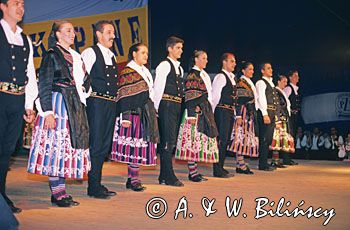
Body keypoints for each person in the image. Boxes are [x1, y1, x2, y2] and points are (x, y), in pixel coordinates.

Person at [28, 21, 91, 207]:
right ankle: (57, 193)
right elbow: (44, 84)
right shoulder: (51, 55)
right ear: (57, 34)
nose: (73, 34)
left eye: (73, 31)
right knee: (56, 148)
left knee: (66, 149)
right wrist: (47, 112)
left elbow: (86, 81)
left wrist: (82, 90)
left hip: (73, 105)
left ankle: (61, 191)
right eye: (68, 30)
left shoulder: (76, 56)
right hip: (57, 105)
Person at [0, 0, 38, 213]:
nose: (21, 8)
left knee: (7, 149)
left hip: (17, 100)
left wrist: (29, 103)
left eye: (23, 4)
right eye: (16, 3)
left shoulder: (26, 39)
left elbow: (30, 73)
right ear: (3, 6)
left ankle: (1, 194)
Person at [110, 43, 159, 192]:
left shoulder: (145, 71)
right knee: (134, 148)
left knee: (139, 147)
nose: (146, 55)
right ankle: (133, 180)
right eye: (143, 52)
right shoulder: (128, 71)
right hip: (132, 115)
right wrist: (125, 117)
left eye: (147, 53)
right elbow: (124, 94)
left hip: (145, 113)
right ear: (134, 54)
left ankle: (133, 179)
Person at [81, 20, 118, 199]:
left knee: (104, 145)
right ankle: (93, 186)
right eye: (109, 32)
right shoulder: (90, 52)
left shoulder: (112, 55)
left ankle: (97, 182)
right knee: (96, 144)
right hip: (96, 103)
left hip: (110, 104)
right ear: (99, 34)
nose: (113, 35)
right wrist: (87, 98)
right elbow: (81, 77)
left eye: (113, 32)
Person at [175, 50, 219, 182]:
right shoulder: (193, 75)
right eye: (203, 58)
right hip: (195, 113)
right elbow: (190, 97)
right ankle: (192, 172)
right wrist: (192, 115)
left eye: (206, 58)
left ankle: (195, 171)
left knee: (198, 142)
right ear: (196, 59)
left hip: (204, 111)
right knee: (193, 141)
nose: (206, 60)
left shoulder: (202, 74)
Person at [154, 36, 184, 187]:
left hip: (176, 105)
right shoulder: (164, 65)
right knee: (167, 141)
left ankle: (163, 176)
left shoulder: (179, 67)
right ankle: (169, 175)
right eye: (178, 48)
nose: (181, 51)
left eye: (181, 48)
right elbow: (158, 87)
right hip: (166, 105)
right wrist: (156, 108)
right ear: (170, 49)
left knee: (171, 141)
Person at [228, 61, 258, 174]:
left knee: (244, 138)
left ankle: (239, 164)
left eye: (252, 69)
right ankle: (241, 164)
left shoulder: (248, 82)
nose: (252, 71)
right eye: (249, 69)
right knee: (240, 137)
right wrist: (239, 115)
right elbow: (239, 101)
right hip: (243, 112)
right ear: (243, 70)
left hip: (248, 113)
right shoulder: (241, 82)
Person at [211, 53, 237, 178]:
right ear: (224, 62)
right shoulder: (221, 77)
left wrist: (236, 114)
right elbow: (215, 97)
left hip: (229, 111)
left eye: (234, 61)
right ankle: (217, 169)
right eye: (231, 61)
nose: (234, 64)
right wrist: (211, 113)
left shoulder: (231, 78)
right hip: (221, 111)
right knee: (221, 140)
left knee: (225, 140)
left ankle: (220, 166)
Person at [255, 63, 278, 171]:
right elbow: (261, 98)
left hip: (272, 112)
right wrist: (264, 113)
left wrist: (276, 115)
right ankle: (262, 164)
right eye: (268, 68)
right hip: (266, 112)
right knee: (264, 138)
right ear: (262, 71)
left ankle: (265, 162)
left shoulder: (271, 83)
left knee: (268, 138)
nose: (271, 70)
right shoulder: (261, 82)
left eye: (271, 68)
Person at [269, 75, 295, 167]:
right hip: (280, 118)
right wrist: (278, 118)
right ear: (278, 81)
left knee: (280, 139)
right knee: (277, 138)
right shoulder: (276, 91)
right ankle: (274, 160)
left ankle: (277, 159)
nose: (286, 83)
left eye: (286, 82)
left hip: (284, 118)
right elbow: (278, 106)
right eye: (284, 81)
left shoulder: (281, 92)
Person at [284, 70, 301, 136]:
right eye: (295, 76)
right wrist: (290, 111)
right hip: (290, 116)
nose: (298, 77)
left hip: (295, 116)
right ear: (290, 77)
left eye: (298, 76)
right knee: (290, 133)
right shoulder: (288, 88)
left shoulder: (296, 90)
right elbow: (283, 101)